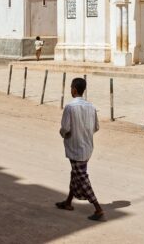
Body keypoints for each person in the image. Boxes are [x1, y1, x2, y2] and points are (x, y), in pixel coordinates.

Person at [56, 77, 105, 221]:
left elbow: (65, 128)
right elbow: (96, 127)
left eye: (71, 87)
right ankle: (68, 202)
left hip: (75, 147)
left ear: (74, 89)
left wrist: (65, 134)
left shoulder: (70, 107)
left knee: (82, 177)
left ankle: (98, 208)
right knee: (76, 174)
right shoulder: (91, 107)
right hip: (87, 147)